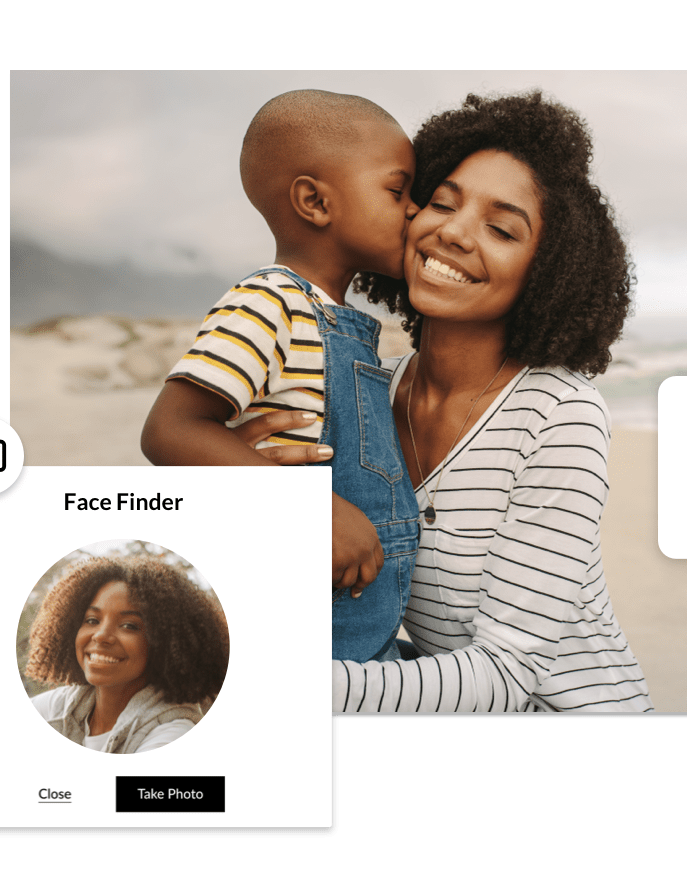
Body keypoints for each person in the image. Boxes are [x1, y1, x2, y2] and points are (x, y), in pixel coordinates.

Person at [242, 92, 653, 712]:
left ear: (547, 269)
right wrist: (251, 480)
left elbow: (507, 677)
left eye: (502, 228)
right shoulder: (362, 394)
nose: (454, 232)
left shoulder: (559, 413)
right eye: (441, 202)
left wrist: (288, 685)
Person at [140, 90, 421, 662]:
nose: (416, 210)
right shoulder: (267, 301)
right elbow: (171, 428)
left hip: (361, 626)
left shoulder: (340, 321)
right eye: (398, 191)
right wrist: (311, 509)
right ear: (315, 201)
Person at [25, 556, 230, 753]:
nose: (101, 636)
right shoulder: (58, 708)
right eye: (92, 620)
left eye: (129, 626)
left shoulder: (172, 735)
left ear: (165, 642)